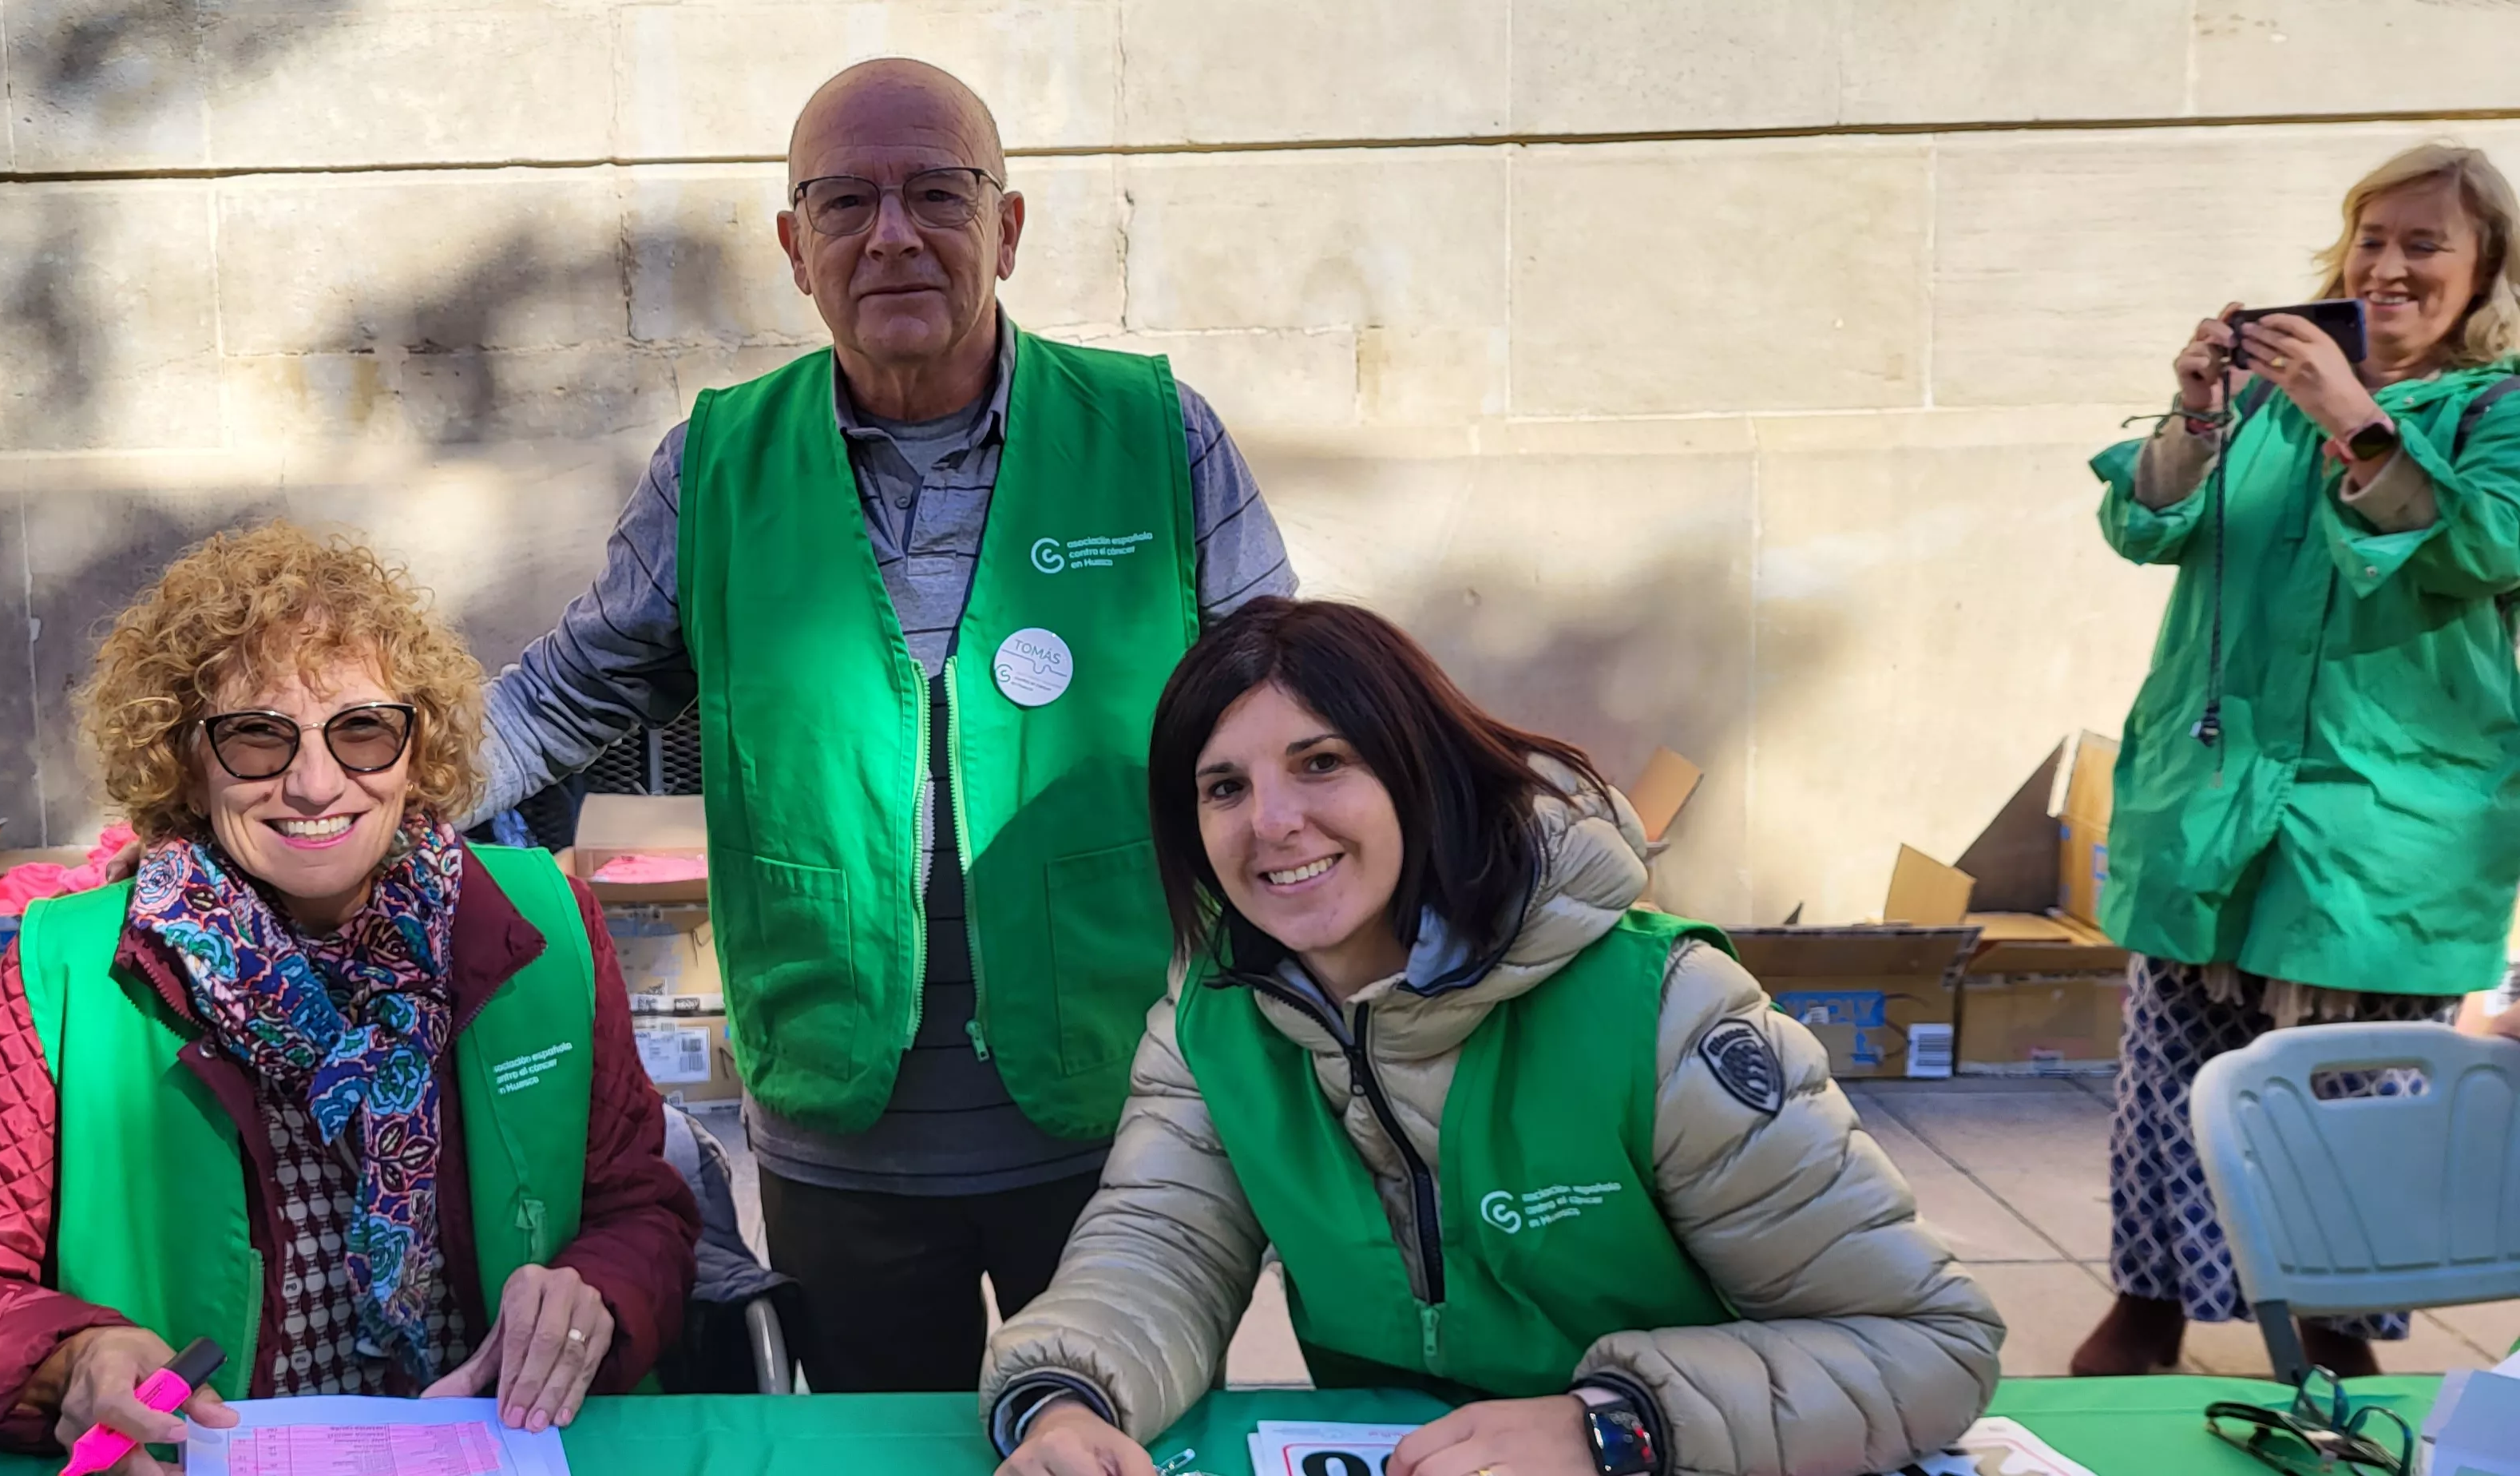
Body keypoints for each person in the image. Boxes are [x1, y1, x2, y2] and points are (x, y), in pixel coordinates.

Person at [475, 57, 1294, 1394]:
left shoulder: (1155, 433)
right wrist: (364, 778)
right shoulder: (720, 461)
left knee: (1111, 1430)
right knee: (873, 1442)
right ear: (797, 250)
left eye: (938, 193)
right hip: (837, 1137)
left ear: (1009, 226)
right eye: (847, 203)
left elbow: (1293, 702)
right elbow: (570, 690)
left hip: (1124, 1121)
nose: (895, 234)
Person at [982, 599, 2003, 1476]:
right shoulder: (1210, 1021)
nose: (1273, 821)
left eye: (1322, 762)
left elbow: (1927, 1345)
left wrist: (1615, 1427)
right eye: (1224, 787)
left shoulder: (1667, 1010)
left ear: (1417, 773)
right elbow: (1159, 1246)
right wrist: (1068, 1396)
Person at [0, 522, 698, 1459]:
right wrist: (71, 1357)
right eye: (257, 738)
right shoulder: (71, 966)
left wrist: (598, 1291)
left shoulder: (546, 926)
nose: (313, 783)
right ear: (186, 758)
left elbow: (641, 1210)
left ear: (418, 749)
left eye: (363, 731)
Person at [2073, 142, 2520, 1379]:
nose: (2389, 266)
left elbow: (2480, 548)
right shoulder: (2272, 392)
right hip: (2208, 806)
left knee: (2347, 1125)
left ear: (2485, 270)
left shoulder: (2501, 410)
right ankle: (2147, 1318)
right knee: (2168, 1102)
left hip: (2383, 832)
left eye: (2425, 244)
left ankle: (2329, 1357)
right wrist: (2202, 409)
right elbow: (2142, 521)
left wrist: (2352, 414)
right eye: (2373, 238)